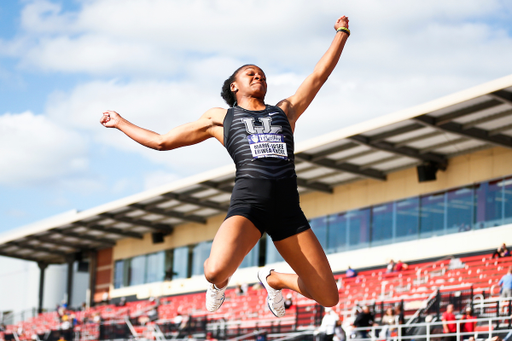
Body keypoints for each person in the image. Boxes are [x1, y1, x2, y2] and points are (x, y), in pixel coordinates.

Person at [99, 15, 350, 318]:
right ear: (235, 86)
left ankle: (274, 279)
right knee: (215, 271)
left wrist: (341, 34)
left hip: (288, 210)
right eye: (250, 74)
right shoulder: (222, 118)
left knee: (328, 296)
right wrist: (121, 123)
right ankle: (219, 285)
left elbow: (318, 76)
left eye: (262, 75)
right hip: (249, 205)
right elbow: (162, 141)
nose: (258, 77)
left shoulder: (286, 111)